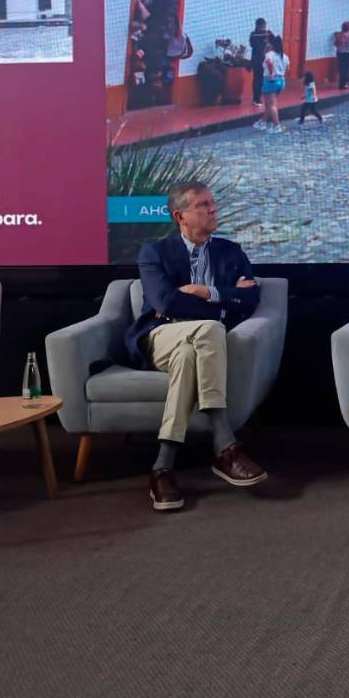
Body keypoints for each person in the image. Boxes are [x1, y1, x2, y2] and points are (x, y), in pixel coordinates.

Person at [125, 181, 267, 512]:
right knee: (211, 328)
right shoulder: (154, 252)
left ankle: (163, 465)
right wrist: (223, 303)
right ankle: (224, 444)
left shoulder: (231, 252)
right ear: (180, 216)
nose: (212, 209)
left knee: (193, 350)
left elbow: (250, 299)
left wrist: (207, 293)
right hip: (161, 334)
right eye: (202, 205)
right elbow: (164, 301)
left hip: (194, 344)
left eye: (212, 203)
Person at [257, 35, 289, 133]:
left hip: (271, 81)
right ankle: (262, 122)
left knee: (271, 105)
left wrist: (271, 74)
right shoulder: (284, 56)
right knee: (269, 104)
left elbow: (269, 63)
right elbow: (287, 68)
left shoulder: (269, 54)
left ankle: (277, 125)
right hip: (281, 81)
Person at [247, 18, 271, 106]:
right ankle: (256, 99)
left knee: (264, 80)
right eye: (262, 26)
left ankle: (263, 97)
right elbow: (256, 47)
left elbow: (271, 43)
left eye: (264, 25)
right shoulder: (253, 35)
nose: (264, 27)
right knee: (257, 80)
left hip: (266, 61)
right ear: (257, 26)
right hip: (257, 61)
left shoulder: (267, 33)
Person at [333, 21, 349, 89]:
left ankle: (341, 83)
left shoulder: (340, 34)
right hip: (346, 53)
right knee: (345, 69)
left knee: (341, 68)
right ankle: (343, 84)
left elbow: (335, 44)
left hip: (339, 53)